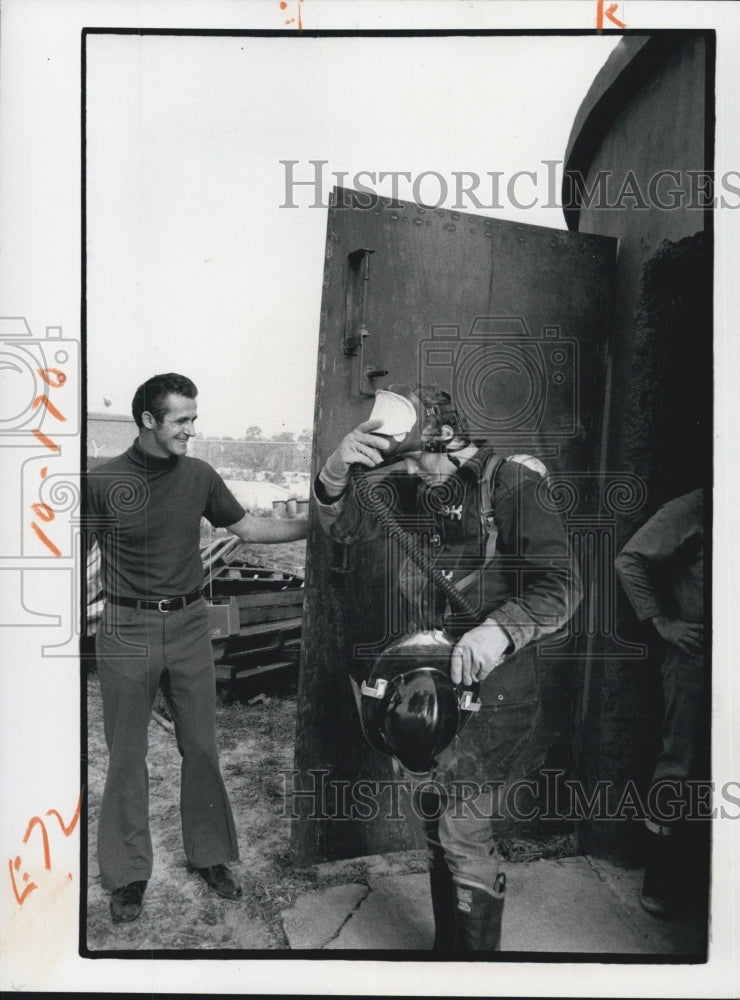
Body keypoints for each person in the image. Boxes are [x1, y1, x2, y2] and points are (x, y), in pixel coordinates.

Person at [313, 385, 581, 951]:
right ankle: (449, 954)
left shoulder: (512, 482)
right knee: (437, 825)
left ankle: (472, 971)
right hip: (433, 686)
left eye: (417, 455)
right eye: (401, 459)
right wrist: (335, 472)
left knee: (462, 832)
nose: (411, 470)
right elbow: (342, 527)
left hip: (496, 691)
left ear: (446, 438)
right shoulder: (419, 482)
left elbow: (561, 586)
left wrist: (499, 628)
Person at [86, 373, 307, 924]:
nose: (191, 429)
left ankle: (210, 856)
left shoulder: (200, 476)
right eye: (181, 420)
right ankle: (127, 876)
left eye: (193, 419)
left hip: (188, 624)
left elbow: (250, 529)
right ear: (148, 422)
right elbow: (68, 552)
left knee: (202, 747)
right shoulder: (102, 479)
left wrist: (318, 525)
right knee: (126, 757)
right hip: (125, 629)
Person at [615, 488, 706, 917]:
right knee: (680, 765)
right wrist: (663, 623)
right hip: (697, 654)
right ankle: (662, 880)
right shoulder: (697, 505)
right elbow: (630, 560)